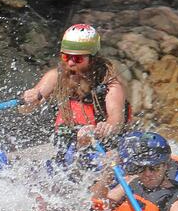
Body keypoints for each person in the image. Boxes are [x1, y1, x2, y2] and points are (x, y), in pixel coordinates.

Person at [18, 24, 130, 158]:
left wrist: (104, 128)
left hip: (103, 145)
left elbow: (116, 120)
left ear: (92, 59)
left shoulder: (110, 84)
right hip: (69, 142)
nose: (70, 63)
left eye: (78, 59)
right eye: (66, 57)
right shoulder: (56, 76)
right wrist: (30, 99)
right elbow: (26, 109)